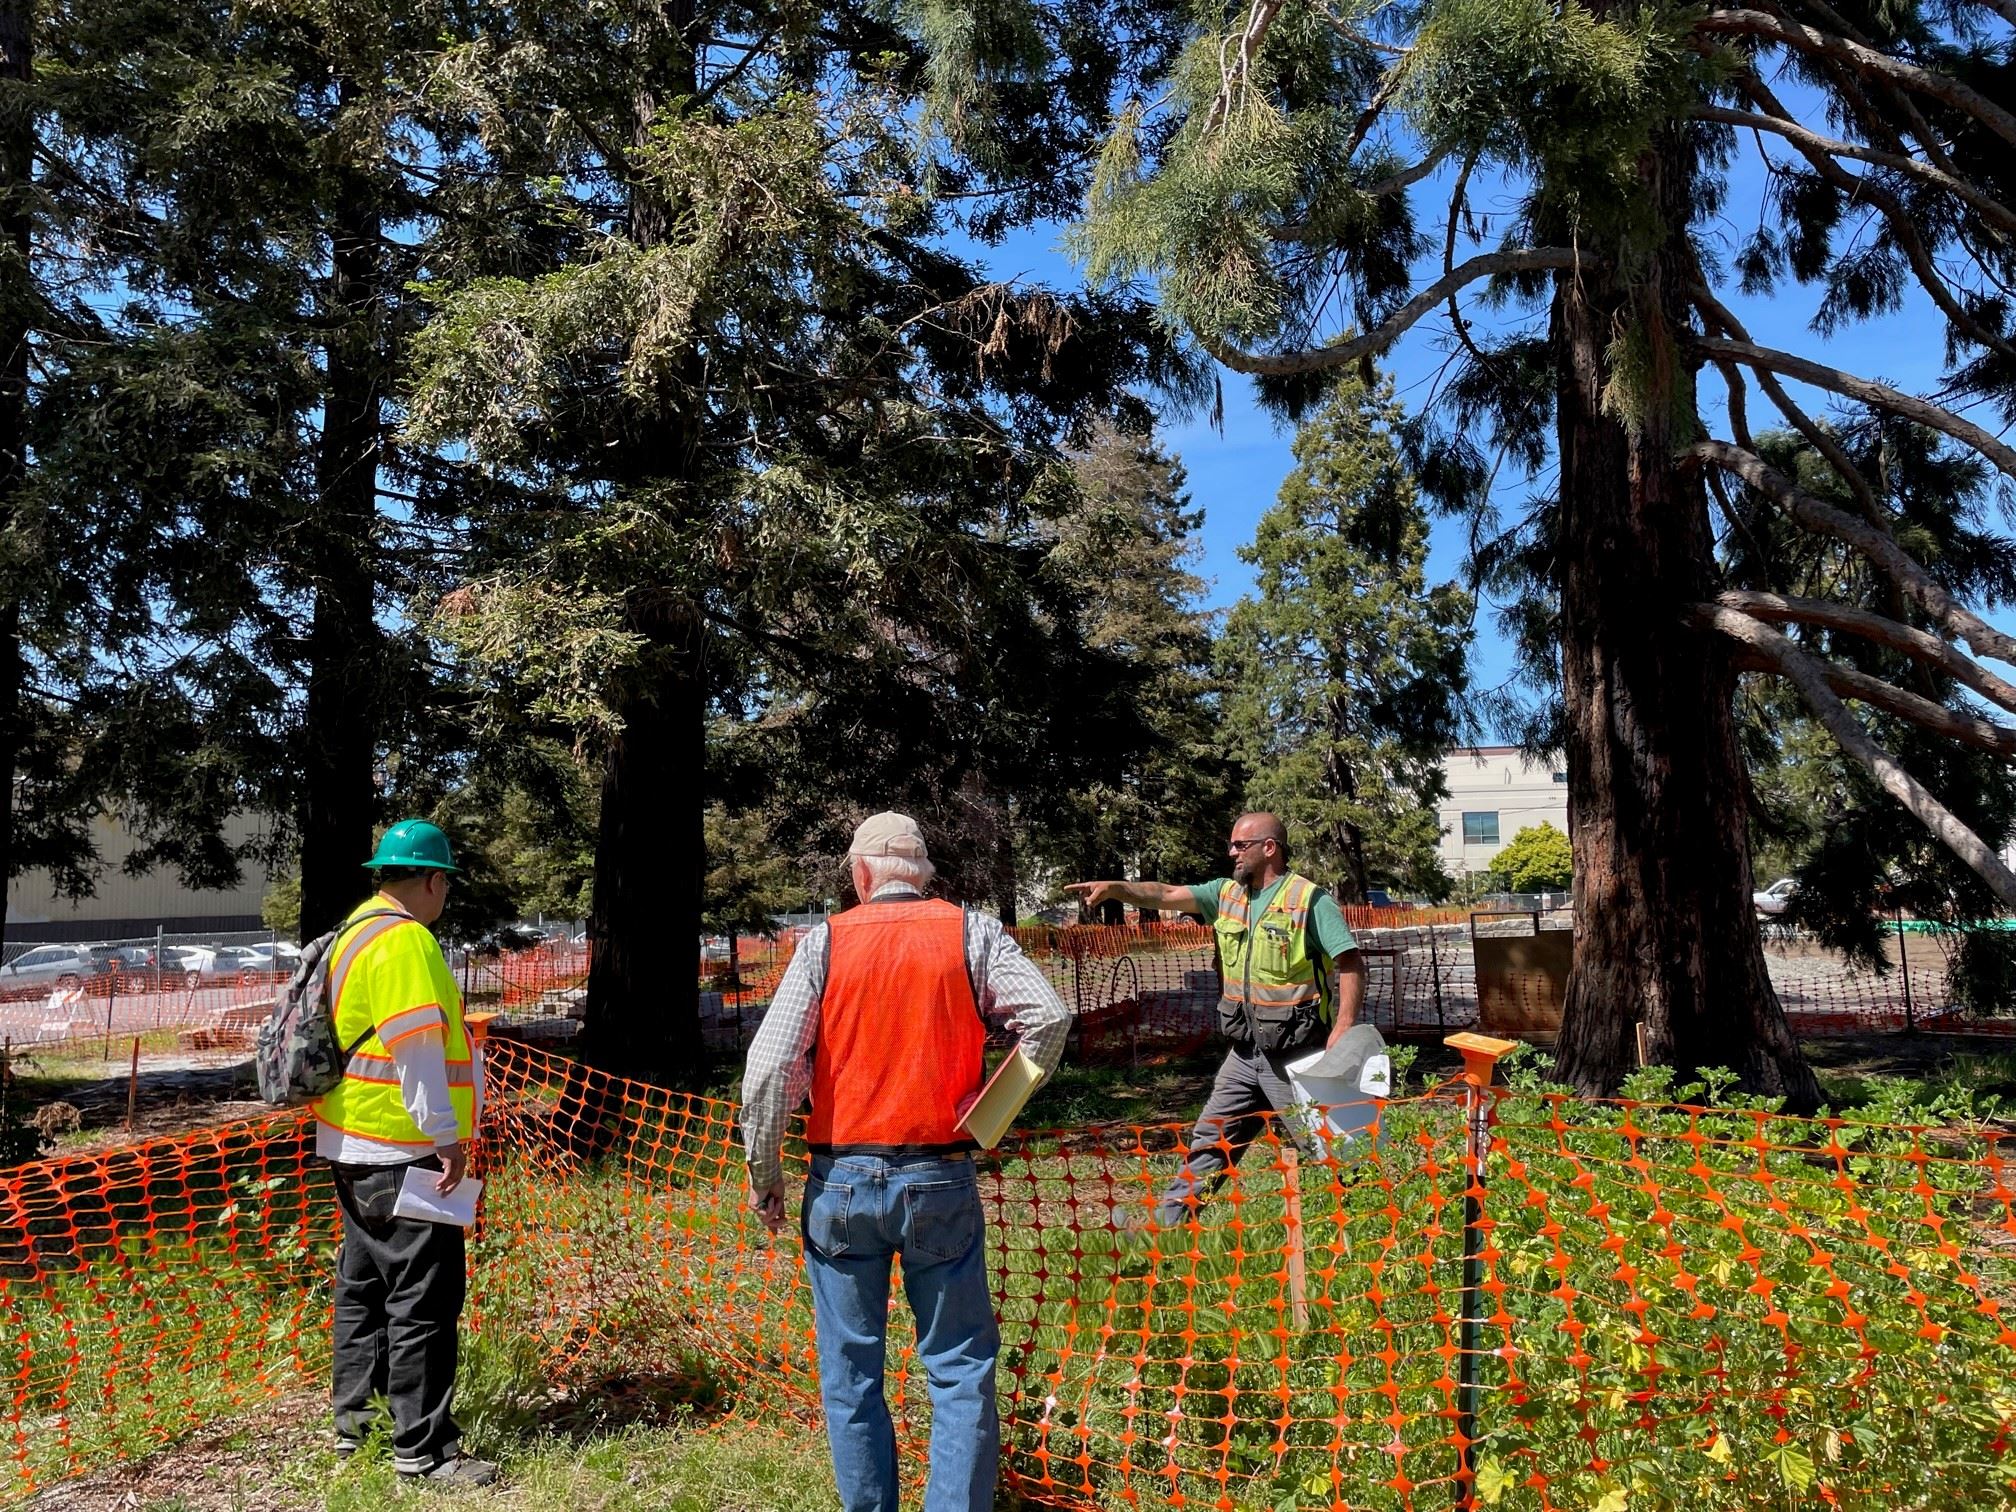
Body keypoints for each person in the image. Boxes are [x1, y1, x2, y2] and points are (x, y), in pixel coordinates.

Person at [741, 812, 1071, 1512]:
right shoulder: (969, 930)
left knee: (850, 1372)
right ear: (922, 872)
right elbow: (1048, 1016)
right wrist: (992, 1115)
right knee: (958, 1370)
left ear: (860, 875)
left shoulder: (826, 940)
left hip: (840, 1180)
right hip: (940, 1174)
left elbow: (770, 1068)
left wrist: (765, 1173)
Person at [1066, 811, 1367, 1232]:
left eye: (1240, 845)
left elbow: (1350, 961)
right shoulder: (1225, 894)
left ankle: (1374, 1227)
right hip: (1244, 1057)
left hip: (1297, 1058)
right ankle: (1165, 1232)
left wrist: (1344, 1026)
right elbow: (1165, 893)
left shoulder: (1309, 900)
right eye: (1230, 845)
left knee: (1329, 1149)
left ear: (1269, 848)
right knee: (1210, 1143)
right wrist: (1119, 889)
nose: (1231, 853)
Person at [309, 818, 495, 1486]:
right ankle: (424, 1452)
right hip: (402, 1148)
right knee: (423, 1299)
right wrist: (448, 1142)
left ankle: (357, 1434)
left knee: (362, 1290)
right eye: (444, 883)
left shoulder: (356, 929)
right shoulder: (406, 941)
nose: (443, 896)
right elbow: (415, 1051)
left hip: (351, 1141)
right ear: (431, 879)